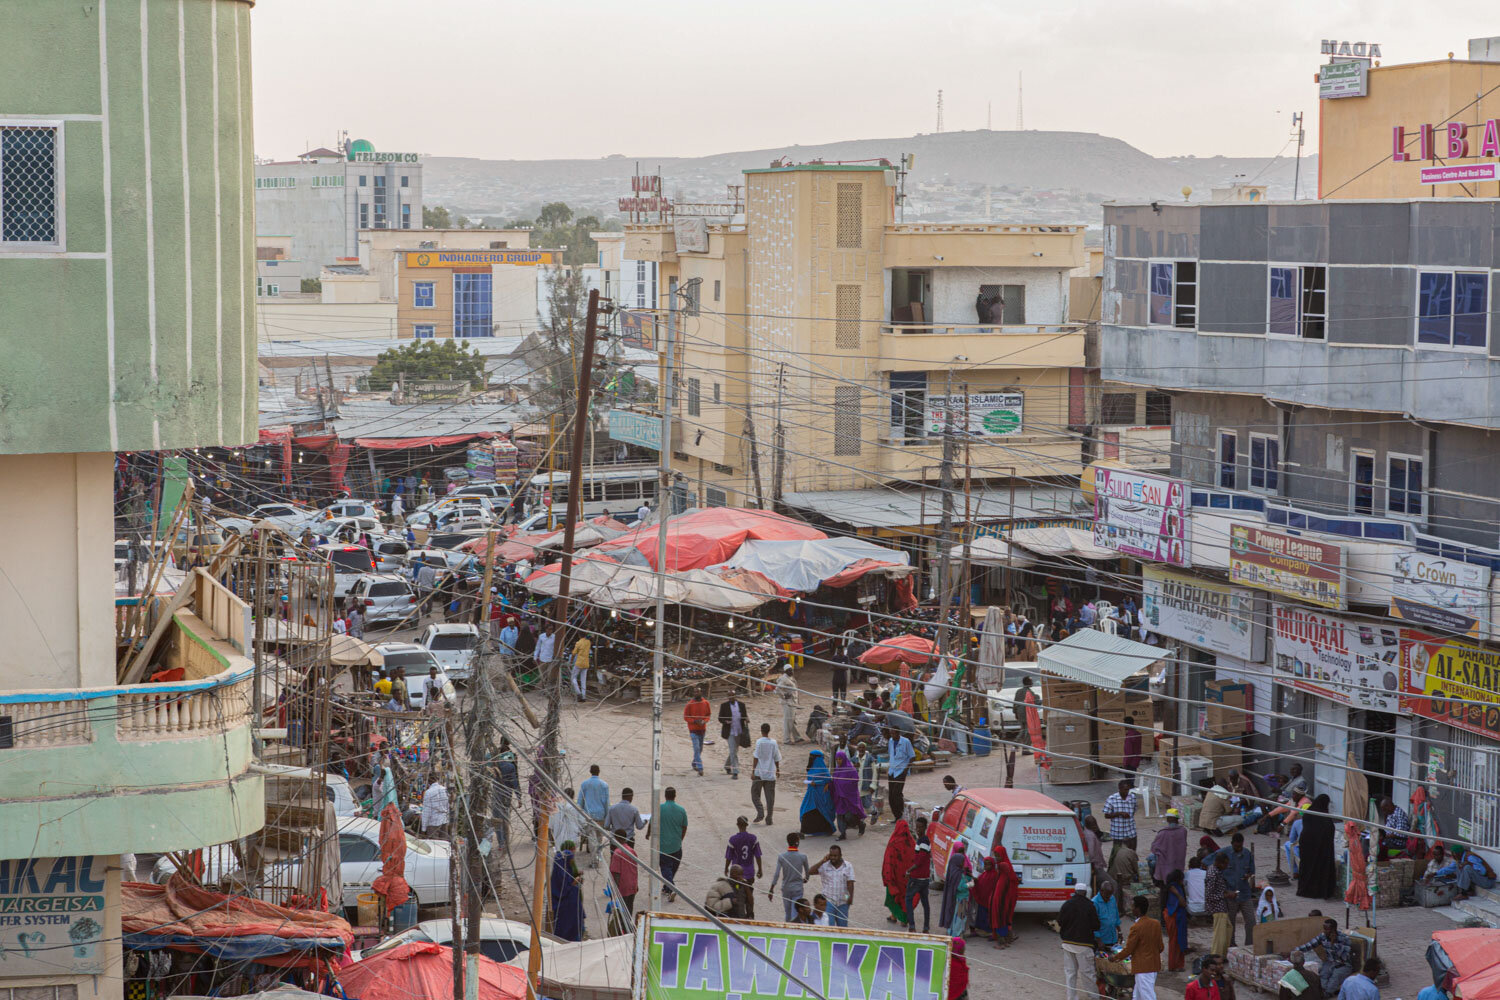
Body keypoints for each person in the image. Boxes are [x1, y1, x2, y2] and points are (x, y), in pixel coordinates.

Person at [1288, 918, 1355, 996]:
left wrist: (1333, 944)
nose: (1324, 931)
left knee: (1334, 980)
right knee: (1322, 976)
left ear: (1333, 929)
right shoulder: (1323, 936)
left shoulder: (1344, 939)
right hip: (1330, 962)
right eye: (1324, 929)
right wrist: (1293, 951)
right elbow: (1309, 945)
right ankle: (1321, 993)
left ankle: (1327, 994)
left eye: (1327, 929)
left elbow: (1344, 956)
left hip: (1344, 965)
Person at [1213, 832, 1259, 947]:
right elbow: (1209, 862)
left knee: (1251, 921)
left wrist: (1248, 875)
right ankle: (1231, 945)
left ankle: (1250, 945)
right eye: (1236, 846)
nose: (1238, 849)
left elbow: (1252, 871)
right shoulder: (1223, 852)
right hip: (1230, 894)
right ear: (1232, 843)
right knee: (1230, 923)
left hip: (1244, 893)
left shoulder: (1247, 854)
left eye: (1240, 846)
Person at [1115, 894, 1163, 1000]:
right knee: (1137, 995)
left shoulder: (1136, 927)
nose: (1132, 909)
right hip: (1153, 965)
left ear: (1138, 909)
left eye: (1133, 906)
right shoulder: (1156, 924)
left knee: (1147, 996)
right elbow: (1161, 947)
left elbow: (1128, 950)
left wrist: (1114, 958)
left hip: (1143, 967)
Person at [1058, 885, 1101, 1000]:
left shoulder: (1067, 904)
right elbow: (1096, 925)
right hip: (1084, 945)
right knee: (1088, 974)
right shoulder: (1090, 906)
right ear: (1086, 893)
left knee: (1070, 973)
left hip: (1067, 943)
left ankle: (1071, 997)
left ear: (1075, 892)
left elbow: (1060, 922)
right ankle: (1094, 997)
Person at [1296, 795, 1339, 899]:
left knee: (1307, 869)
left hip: (1307, 848)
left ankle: (1305, 890)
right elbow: (1329, 831)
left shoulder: (1309, 814)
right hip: (1322, 851)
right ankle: (1320, 892)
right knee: (1320, 869)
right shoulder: (1325, 818)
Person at [809, 844, 855, 927]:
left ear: (840, 855)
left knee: (843, 927)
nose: (833, 858)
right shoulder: (824, 865)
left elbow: (850, 882)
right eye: (831, 855)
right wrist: (822, 861)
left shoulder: (848, 865)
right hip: (828, 901)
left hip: (843, 901)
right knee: (829, 926)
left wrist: (850, 897)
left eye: (835, 856)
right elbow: (810, 871)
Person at [769, 831, 811, 922]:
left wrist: (771, 888)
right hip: (797, 888)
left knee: (787, 913)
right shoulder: (803, 857)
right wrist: (805, 879)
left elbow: (777, 874)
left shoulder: (782, 856)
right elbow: (808, 873)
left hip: (786, 888)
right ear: (797, 842)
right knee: (795, 913)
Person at [657, 786, 689, 903]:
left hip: (663, 846)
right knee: (672, 868)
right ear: (675, 796)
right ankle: (668, 887)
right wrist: (680, 838)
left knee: (666, 868)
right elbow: (684, 826)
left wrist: (648, 833)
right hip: (676, 845)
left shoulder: (659, 808)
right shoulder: (681, 810)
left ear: (665, 796)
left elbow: (652, 822)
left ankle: (670, 888)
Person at [881, 818, 916, 926]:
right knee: (906, 898)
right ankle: (902, 919)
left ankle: (895, 916)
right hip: (907, 878)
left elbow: (888, 861)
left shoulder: (893, 842)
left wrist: (887, 876)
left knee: (894, 896)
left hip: (895, 878)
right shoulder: (912, 843)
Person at [549, 842, 585, 941]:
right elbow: (562, 889)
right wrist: (573, 883)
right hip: (566, 912)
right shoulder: (560, 875)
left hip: (574, 912)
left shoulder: (565, 868)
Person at [986, 845, 1021, 946]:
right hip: (1002, 901)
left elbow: (1007, 889)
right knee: (1003, 918)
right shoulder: (1001, 870)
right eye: (995, 856)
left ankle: (1004, 938)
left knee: (1003, 918)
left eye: (998, 856)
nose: (997, 858)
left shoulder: (1005, 870)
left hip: (1005, 901)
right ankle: (1005, 937)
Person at [905, 815, 934, 934]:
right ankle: (926, 927)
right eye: (917, 827)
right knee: (925, 902)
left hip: (917, 878)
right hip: (924, 878)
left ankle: (912, 926)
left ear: (925, 827)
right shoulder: (923, 840)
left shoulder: (923, 841)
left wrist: (908, 871)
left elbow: (919, 861)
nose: (918, 829)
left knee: (908, 899)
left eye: (920, 827)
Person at [799, 748, 836, 836]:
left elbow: (828, 780)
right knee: (805, 810)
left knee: (822, 813)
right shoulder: (810, 768)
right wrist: (810, 782)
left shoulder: (824, 770)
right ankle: (806, 830)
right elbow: (806, 781)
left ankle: (826, 830)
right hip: (811, 794)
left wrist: (818, 783)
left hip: (821, 796)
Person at [831, 748, 866, 839]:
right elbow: (834, 781)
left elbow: (855, 780)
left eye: (840, 759)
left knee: (849, 816)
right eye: (837, 759)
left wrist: (844, 786)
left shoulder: (850, 769)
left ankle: (860, 824)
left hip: (849, 797)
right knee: (840, 815)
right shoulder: (837, 770)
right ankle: (842, 834)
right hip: (840, 797)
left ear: (844, 759)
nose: (838, 761)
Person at [725, 816, 763, 895]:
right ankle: (749, 904)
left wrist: (726, 868)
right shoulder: (753, 838)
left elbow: (729, 857)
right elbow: (758, 855)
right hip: (749, 872)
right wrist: (760, 869)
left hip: (736, 873)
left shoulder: (733, 839)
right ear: (747, 825)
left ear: (737, 825)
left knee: (736, 891)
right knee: (749, 892)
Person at [578, 764, 610, 859]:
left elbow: (580, 801)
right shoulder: (604, 785)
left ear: (590, 772)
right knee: (599, 836)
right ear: (599, 772)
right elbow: (606, 802)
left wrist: (580, 815)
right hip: (600, 814)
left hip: (588, 815)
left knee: (591, 837)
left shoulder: (584, 784)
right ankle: (598, 855)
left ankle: (593, 858)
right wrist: (607, 816)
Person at [939, 839, 971, 933]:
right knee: (959, 917)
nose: (963, 863)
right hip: (961, 898)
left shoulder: (956, 868)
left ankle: (954, 931)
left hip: (961, 898)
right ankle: (956, 934)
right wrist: (971, 884)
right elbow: (960, 886)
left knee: (959, 916)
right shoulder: (957, 872)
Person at [608, 833, 639, 928]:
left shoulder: (617, 853)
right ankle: (628, 927)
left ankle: (623, 929)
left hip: (622, 887)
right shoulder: (632, 851)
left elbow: (616, 873)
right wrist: (636, 884)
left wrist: (614, 890)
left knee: (621, 912)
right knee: (629, 909)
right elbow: (635, 869)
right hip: (632, 885)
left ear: (617, 838)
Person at [1206, 851, 1234, 957]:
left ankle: (1223, 955)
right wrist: (1225, 895)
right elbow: (1209, 895)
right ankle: (1215, 957)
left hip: (1222, 907)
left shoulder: (1217, 871)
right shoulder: (1213, 874)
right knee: (1219, 936)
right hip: (1217, 908)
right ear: (1219, 863)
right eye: (1225, 864)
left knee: (1228, 929)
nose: (1226, 866)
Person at [1151, 808, 1189, 883]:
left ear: (1168, 819)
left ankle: (1159, 882)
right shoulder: (1183, 830)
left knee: (1151, 860)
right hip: (1179, 861)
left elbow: (1154, 848)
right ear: (1177, 819)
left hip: (1166, 862)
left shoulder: (1163, 833)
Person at [1161, 870, 1189, 972]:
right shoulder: (1173, 889)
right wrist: (1178, 894)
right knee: (1174, 942)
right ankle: (1174, 965)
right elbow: (1181, 903)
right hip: (1174, 918)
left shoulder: (1174, 887)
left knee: (1177, 941)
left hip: (1177, 917)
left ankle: (1179, 964)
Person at [886, 725, 915, 821]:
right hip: (892, 771)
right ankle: (897, 816)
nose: (892, 735)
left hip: (901, 771)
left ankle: (902, 814)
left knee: (897, 794)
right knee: (891, 796)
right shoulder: (890, 741)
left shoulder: (905, 742)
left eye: (894, 733)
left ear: (898, 733)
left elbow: (912, 756)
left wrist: (906, 770)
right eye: (891, 733)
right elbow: (891, 754)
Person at [718, 692, 751, 779]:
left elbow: (744, 716)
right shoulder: (724, 706)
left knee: (734, 751)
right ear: (727, 697)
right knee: (733, 751)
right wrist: (726, 722)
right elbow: (720, 718)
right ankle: (735, 772)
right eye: (729, 696)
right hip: (730, 732)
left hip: (740, 731)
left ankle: (727, 766)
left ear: (735, 696)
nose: (731, 697)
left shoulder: (741, 705)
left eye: (732, 695)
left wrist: (747, 719)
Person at [683, 687, 712, 775]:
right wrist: (694, 721)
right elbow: (686, 717)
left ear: (701, 692)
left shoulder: (706, 703)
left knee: (700, 749)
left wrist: (704, 721)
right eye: (695, 692)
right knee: (696, 748)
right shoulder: (689, 704)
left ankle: (694, 762)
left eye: (698, 692)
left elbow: (708, 714)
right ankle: (700, 768)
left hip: (702, 729)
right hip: (693, 730)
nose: (696, 693)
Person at [1105, 779, 1140, 850]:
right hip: (1118, 833)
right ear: (1119, 789)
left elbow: (1134, 810)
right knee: (1118, 854)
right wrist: (1119, 813)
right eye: (1125, 790)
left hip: (1131, 831)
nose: (1127, 792)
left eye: (1128, 790)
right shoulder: (1111, 799)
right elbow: (1106, 815)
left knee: (1132, 853)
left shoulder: (1132, 797)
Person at [776, 664, 800, 744]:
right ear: (785, 671)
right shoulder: (784, 679)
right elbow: (777, 689)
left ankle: (797, 737)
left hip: (793, 702)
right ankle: (786, 740)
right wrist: (783, 696)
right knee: (788, 721)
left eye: (792, 669)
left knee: (792, 720)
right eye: (789, 670)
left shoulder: (790, 678)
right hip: (788, 703)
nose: (791, 671)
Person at [1093, 880, 1121, 949]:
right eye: (1106, 897)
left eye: (1110, 896)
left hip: (1113, 939)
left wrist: (1120, 932)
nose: (1108, 899)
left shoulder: (1112, 898)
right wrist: (1099, 941)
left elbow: (1116, 916)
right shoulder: (1094, 903)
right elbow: (1093, 924)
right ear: (1101, 891)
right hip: (1101, 941)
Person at [1084, 815, 1108, 889]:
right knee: (1112, 884)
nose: (1095, 826)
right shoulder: (1090, 836)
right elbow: (1091, 854)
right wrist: (1093, 866)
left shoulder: (1090, 833)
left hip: (1096, 865)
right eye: (1093, 824)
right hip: (1096, 866)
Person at [570, 634, 591, 702]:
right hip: (586, 663)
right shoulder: (588, 642)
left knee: (573, 678)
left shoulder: (578, 643)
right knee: (583, 681)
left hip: (579, 663)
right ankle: (584, 697)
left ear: (579, 635)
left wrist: (571, 662)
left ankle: (578, 693)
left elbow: (573, 653)